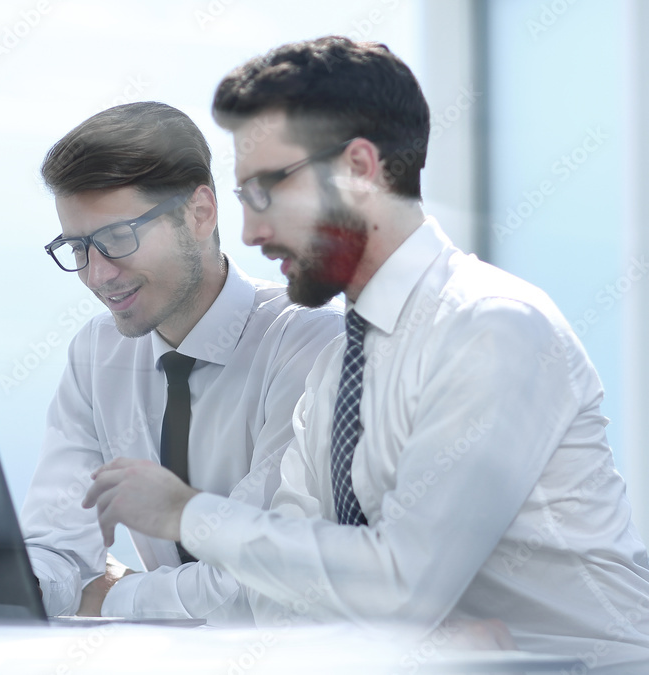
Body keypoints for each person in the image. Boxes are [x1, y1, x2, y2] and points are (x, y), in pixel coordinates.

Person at [83, 38, 649, 665]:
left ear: (358, 167)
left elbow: (403, 583)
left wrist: (189, 514)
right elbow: (276, 597)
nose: (250, 233)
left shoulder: (491, 326)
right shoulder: (336, 370)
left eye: (268, 189)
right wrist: (410, 627)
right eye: (244, 199)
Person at [20, 101, 344, 622]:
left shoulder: (309, 343)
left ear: (199, 214)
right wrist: (11, 583)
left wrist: (114, 596)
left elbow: (261, 583)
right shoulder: (96, 352)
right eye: (77, 247)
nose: (97, 275)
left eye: (117, 239)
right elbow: (58, 549)